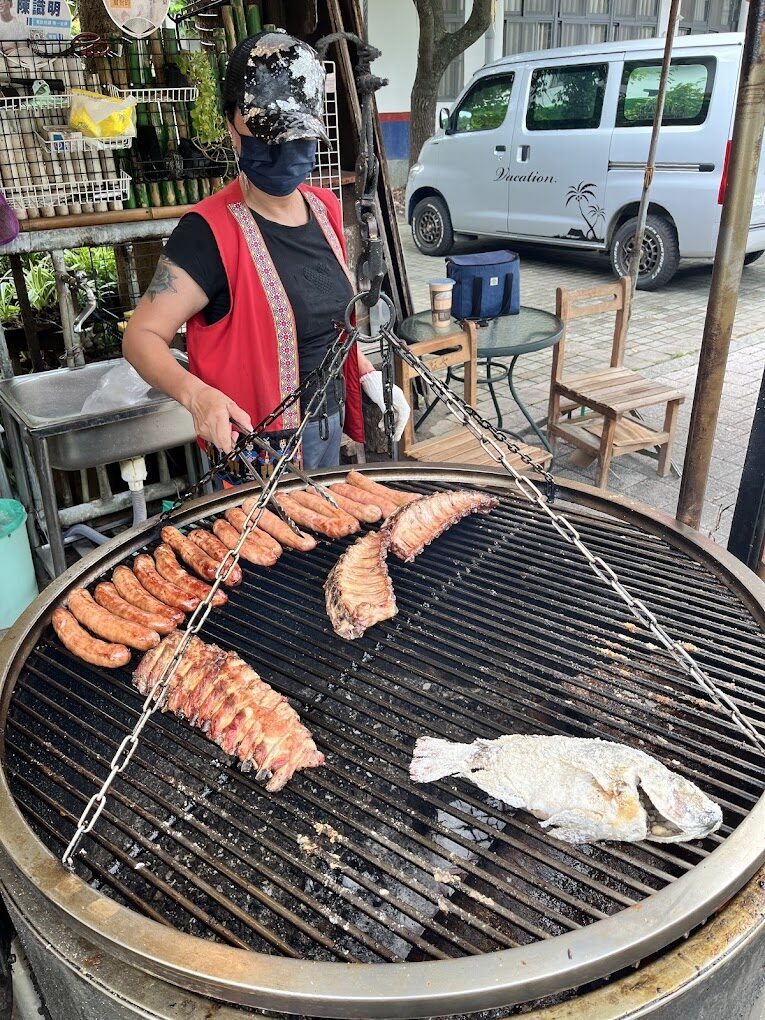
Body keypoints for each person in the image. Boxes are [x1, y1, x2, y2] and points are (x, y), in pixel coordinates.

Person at [123, 30, 409, 469]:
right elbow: (141, 337)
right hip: (258, 455)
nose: (283, 154)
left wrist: (363, 367)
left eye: (296, 139)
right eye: (266, 138)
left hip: (327, 428)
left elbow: (319, 318)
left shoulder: (325, 208)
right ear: (232, 129)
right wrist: (195, 394)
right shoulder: (208, 232)